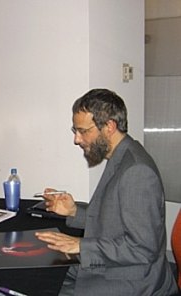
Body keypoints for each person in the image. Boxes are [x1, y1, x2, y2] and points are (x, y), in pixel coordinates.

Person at [35, 89, 178, 295]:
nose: (77, 139)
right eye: (74, 131)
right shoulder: (120, 157)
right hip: (117, 268)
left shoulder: (137, 171)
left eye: (83, 131)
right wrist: (75, 211)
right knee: (43, 273)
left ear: (109, 126)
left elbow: (143, 249)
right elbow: (114, 221)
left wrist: (82, 246)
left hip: (131, 282)